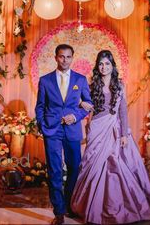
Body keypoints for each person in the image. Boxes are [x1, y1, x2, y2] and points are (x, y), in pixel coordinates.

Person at [71, 50, 150, 224]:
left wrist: (124, 134)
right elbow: (86, 107)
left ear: (112, 66)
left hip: (114, 128)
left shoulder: (119, 85)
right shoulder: (92, 84)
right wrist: (83, 109)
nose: (104, 67)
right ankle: (89, 206)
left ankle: (121, 207)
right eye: (101, 64)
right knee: (92, 165)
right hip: (97, 128)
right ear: (97, 66)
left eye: (107, 63)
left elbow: (122, 111)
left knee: (115, 166)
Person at [35, 44, 92, 225]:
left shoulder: (80, 79)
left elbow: (88, 105)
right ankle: (58, 211)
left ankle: (69, 204)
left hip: (73, 130)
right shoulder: (45, 80)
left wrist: (75, 116)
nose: (65, 60)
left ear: (72, 58)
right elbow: (40, 106)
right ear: (56, 58)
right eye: (61, 56)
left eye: (68, 57)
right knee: (55, 169)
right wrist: (42, 125)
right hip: (52, 130)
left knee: (74, 167)